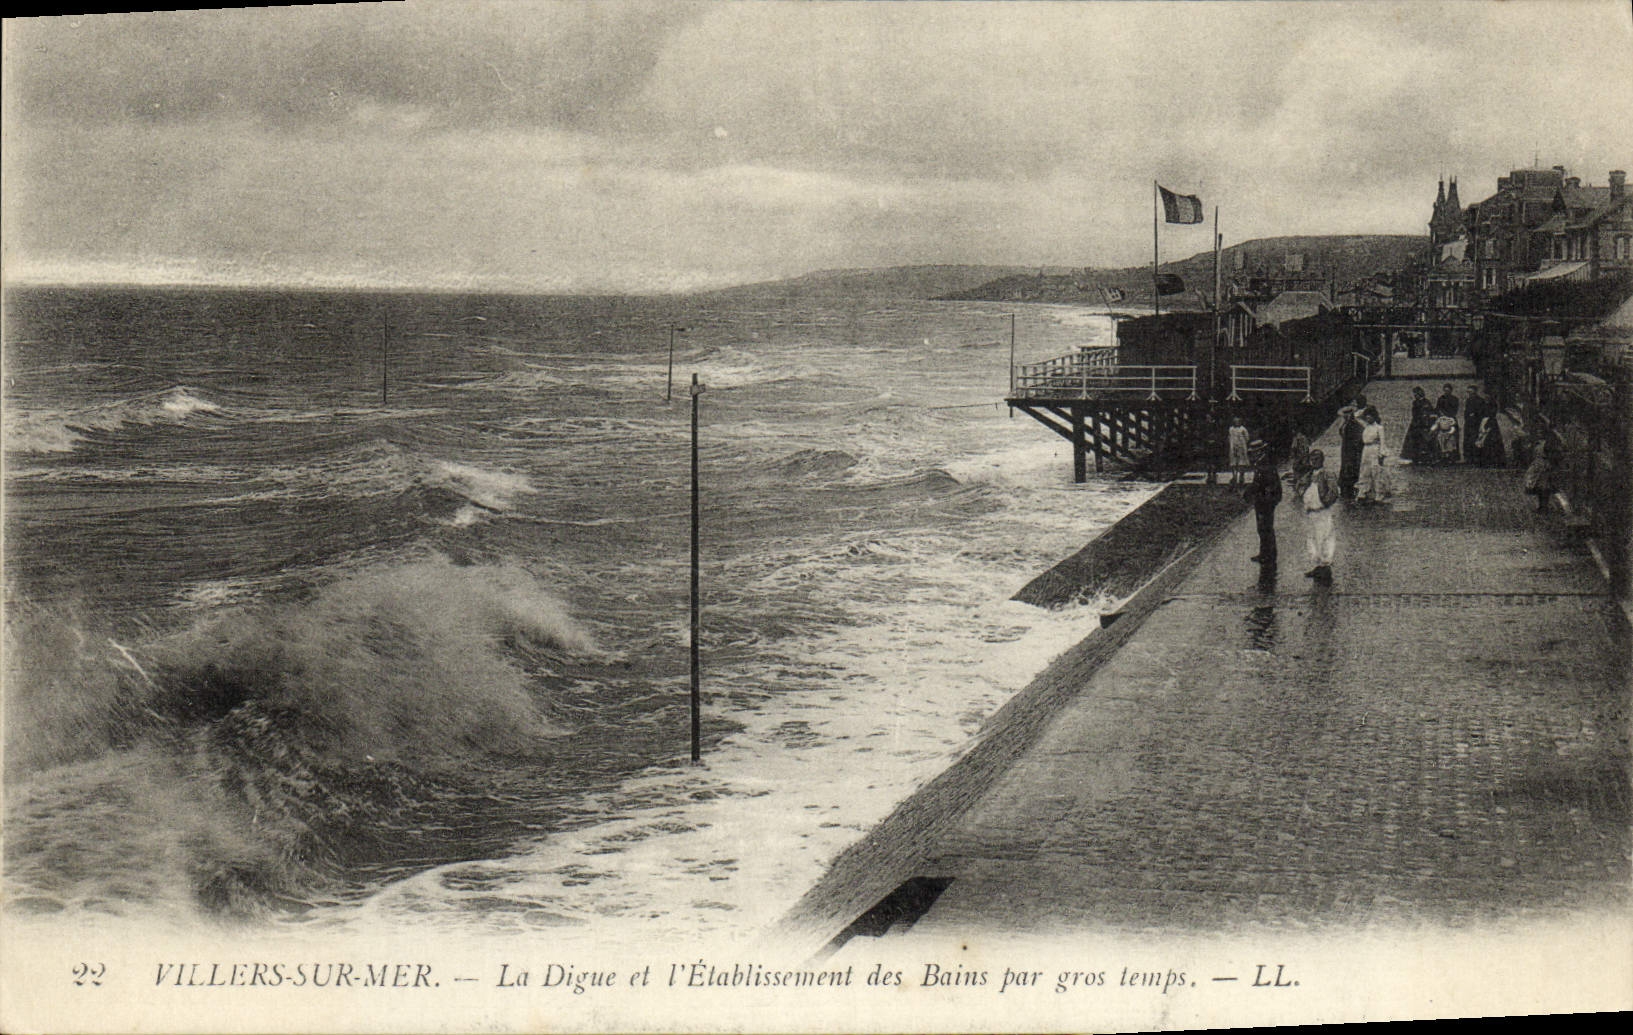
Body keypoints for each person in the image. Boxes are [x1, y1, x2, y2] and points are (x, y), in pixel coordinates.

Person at [1300, 448, 1340, 582]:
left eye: (1317, 459)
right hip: (1311, 512)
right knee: (1312, 539)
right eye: (1312, 460)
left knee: (1325, 538)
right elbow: (1301, 486)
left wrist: (1325, 503)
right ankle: (1317, 566)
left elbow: (1333, 492)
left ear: (1322, 460)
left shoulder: (1327, 474)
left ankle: (1325, 567)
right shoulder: (1309, 475)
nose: (1314, 462)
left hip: (1322, 511)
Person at [1245, 453, 1282, 566]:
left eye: (1254, 452)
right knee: (1263, 528)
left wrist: (1265, 499)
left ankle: (1268, 555)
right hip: (1263, 500)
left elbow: (1267, 485)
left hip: (1266, 501)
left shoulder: (1264, 464)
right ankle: (1265, 553)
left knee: (1265, 527)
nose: (1252, 454)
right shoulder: (1262, 462)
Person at [1355, 408, 1388, 503]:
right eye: (1367, 417)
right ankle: (1363, 491)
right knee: (1365, 470)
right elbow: (1356, 416)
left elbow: (1382, 442)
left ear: (1374, 417)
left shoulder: (1379, 428)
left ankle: (1379, 493)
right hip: (1366, 450)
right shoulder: (1366, 426)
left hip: (1375, 449)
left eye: (1370, 417)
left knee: (1376, 471)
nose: (1368, 419)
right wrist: (1364, 410)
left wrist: (1382, 454)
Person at [1338, 403, 1364, 501]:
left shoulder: (1355, 425)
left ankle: (1349, 490)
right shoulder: (1345, 424)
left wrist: (1355, 447)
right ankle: (1345, 490)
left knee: (1351, 468)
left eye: (1347, 414)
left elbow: (1359, 438)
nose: (1345, 416)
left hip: (1351, 450)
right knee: (1345, 467)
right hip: (1345, 449)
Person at [1523, 439, 1558, 512]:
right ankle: (1542, 506)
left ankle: (1544, 507)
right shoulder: (1539, 444)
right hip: (1540, 469)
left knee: (1544, 489)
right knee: (1541, 489)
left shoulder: (1544, 444)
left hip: (1543, 470)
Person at [1401, 386, 1433, 463]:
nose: (1415, 395)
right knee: (1413, 440)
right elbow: (1414, 413)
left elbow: (1429, 412)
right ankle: (1414, 457)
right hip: (1415, 423)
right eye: (1414, 394)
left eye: (1416, 394)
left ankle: (1425, 457)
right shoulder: (1415, 402)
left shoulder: (1426, 402)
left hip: (1424, 423)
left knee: (1424, 440)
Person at [1462, 385, 1489, 464]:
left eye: (1471, 392)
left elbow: (1482, 412)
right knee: (1468, 440)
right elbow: (1466, 411)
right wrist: (1467, 416)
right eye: (1468, 392)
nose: (1469, 394)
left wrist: (1474, 414)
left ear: (1475, 392)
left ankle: (1477, 458)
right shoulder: (1468, 400)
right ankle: (1468, 458)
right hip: (1468, 423)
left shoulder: (1480, 400)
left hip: (1476, 423)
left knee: (1476, 439)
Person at [1227, 416, 1250, 486]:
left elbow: (1247, 438)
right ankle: (1234, 477)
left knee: (1241, 463)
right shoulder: (1231, 429)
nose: (1236, 423)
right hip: (1233, 448)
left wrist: (1241, 445)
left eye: (1238, 421)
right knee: (1233, 463)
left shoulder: (1243, 429)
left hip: (1241, 448)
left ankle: (1241, 477)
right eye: (1235, 421)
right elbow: (1229, 437)